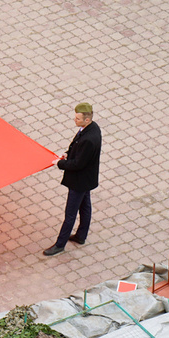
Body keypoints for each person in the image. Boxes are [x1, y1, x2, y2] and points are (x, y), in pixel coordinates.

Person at [44, 103, 102, 256]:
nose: (75, 120)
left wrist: (60, 163)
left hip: (79, 181)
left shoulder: (88, 139)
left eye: (78, 118)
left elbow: (77, 164)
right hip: (87, 179)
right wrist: (68, 154)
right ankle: (81, 235)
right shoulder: (92, 128)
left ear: (87, 119)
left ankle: (60, 245)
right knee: (85, 206)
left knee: (70, 214)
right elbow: (78, 149)